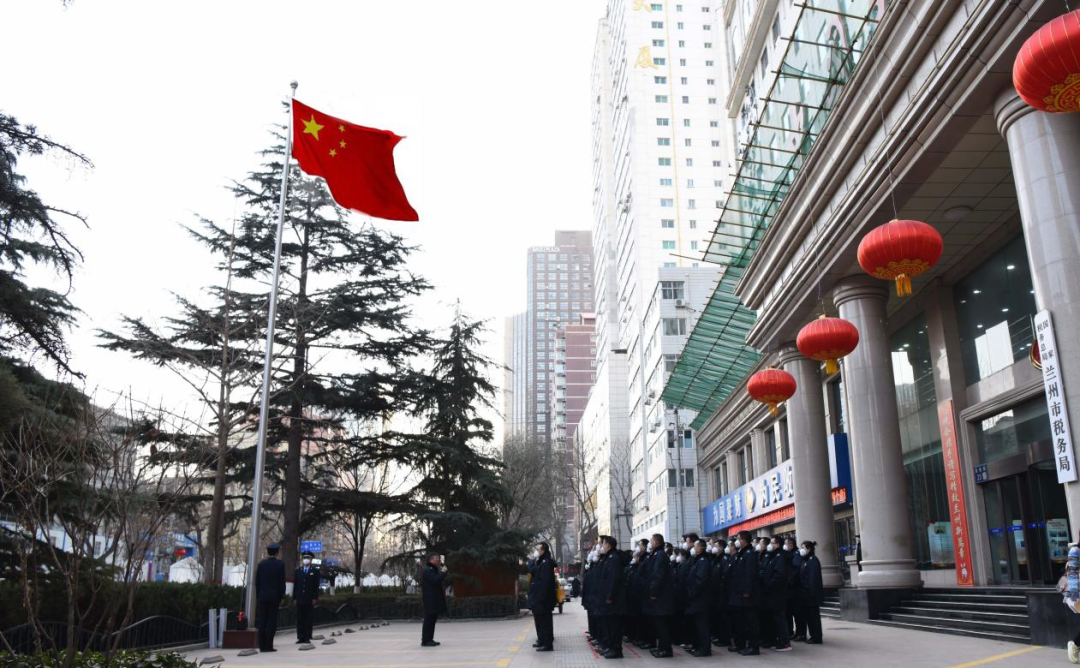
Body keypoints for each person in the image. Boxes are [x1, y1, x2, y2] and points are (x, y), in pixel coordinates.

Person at [728, 531, 761, 656]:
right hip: (738, 593)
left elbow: (750, 574)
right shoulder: (740, 553)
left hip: (747, 595)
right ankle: (740, 644)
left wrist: (747, 590)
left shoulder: (750, 554)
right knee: (740, 621)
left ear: (744, 540)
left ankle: (754, 647)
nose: (736, 541)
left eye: (738, 538)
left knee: (751, 622)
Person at [643, 533, 675, 658]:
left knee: (662, 625)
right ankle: (662, 647)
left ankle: (666, 649)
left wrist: (653, 592)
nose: (650, 543)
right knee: (659, 624)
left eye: (651, 541)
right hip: (660, 597)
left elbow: (658, 575)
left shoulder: (660, 555)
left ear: (656, 542)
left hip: (661, 597)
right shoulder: (657, 554)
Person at [596, 535, 626, 659]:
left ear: (608, 545)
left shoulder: (614, 559)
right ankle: (610, 647)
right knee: (609, 624)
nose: (601, 546)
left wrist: (609, 595)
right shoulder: (609, 558)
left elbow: (613, 579)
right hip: (608, 598)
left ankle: (616, 650)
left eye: (603, 544)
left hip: (613, 600)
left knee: (614, 625)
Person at [254, 542, 286, 653]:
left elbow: (257, 582)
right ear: (277, 552)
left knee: (262, 621)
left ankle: (261, 645)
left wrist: (259, 595)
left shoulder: (261, 564)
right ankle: (269, 645)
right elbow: (281, 582)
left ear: (268, 552)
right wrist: (282, 595)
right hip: (274, 597)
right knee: (271, 621)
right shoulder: (280, 565)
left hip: (262, 597)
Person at [762, 537, 792, 651]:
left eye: (772, 543)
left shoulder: (780, 557)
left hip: (777, 593)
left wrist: (769, 585)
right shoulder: (773, 555)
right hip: (771, 593)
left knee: (780, 618)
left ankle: (785, 643)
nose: (770, 545)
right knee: (774, 618)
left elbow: (779, 575)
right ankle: (776, 640)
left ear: (778, 544)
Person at [527, 542, 558, 652]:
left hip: (543, 599)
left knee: (545, 622)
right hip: (539, 598)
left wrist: (540, 598)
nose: (537, 551)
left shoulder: (546, 563)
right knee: (540, 621)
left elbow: (544, 583)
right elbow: (533, 572)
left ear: (543, 550)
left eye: (538, 549)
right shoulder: (541, 562)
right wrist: (532, 561)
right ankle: (542, 641)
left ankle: (547, 644)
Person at [684, 539, 712, 657]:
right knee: (697, 624)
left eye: (695, 546)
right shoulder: (697, 560)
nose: (693, 549)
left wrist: (693, 593)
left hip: (700, 598)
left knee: (702, 625)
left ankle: (705, 649)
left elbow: (700, 580)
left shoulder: (703, 561)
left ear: (700, 548)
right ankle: (698, 646)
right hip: (696, 598)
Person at [798, 541, 825, 645]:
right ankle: (813, 636)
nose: (801, 550)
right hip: (805, 594)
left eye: (803, 547)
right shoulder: (805, 560)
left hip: (811, 594)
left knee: (814, 617)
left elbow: (813, 579)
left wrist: (812, 593)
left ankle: (816, 637)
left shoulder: (813, 560)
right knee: (809, 617)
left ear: (809, 549)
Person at [293, 551, 321, 644]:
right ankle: (300, 637)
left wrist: (315, 598)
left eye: (308, 558)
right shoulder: (298, 571)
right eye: (304, 558)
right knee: (300, 619)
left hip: (309, 599)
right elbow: (295, 585)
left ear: (311, 559)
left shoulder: (315, 571)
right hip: (300, 598)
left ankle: (307, 637)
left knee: (308, 619)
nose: (306, 560)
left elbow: (316, 586)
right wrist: (294, 598)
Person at [421, 553, 448, 647]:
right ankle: (425, 640)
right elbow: (435, 580)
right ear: (431, 559)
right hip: (430, 599)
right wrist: (443, 572)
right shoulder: (428, 569)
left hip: (434, 598)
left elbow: (438, 579)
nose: (438, 560)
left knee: (432, 619)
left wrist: (443, 573)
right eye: (437, 559)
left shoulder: (433, 569)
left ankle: (430, 639)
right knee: (429, 619)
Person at [785, 537, 805, 642]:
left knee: (798, 613)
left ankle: (801, 633)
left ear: (791, 544)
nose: (785, 545)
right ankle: (794, 633)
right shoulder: (788, 554)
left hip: (795, 589)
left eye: (787, 543)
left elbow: (795, 570)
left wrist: (790, 581)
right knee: (790, 612)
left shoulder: (796, 554)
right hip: (789, 590)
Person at [1063, 545, 1080, 664]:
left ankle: (1075, 644)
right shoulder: (1075, 551)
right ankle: (1075, 645)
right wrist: (1074, 593)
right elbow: (1072, 573)